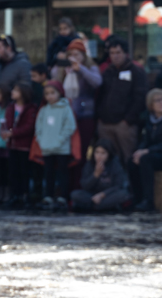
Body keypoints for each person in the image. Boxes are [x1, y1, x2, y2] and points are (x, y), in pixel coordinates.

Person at [128, 89, 162, 212]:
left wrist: (147, 151)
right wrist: (139, 151)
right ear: (150, 105)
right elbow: (145, 140)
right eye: (157, 100)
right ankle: (138, 199)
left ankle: (149, 201)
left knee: (146, 160)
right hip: (154, 152)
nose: (161, 103)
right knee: (132, 161)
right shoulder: (150, 120)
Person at [51, 38, 101, 170]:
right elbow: (54, 84)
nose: (73, 57)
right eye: (70, 54)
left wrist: (81, 69)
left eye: (76, 54)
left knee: (82, 150)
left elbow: (97, 82)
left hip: (85, 115)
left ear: (83, 56)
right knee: (66, 151)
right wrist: (60, 65)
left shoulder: (90, 67)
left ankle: (79, 184)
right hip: (65, 115)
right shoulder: (64, 69)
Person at [97, 38, 146, 164]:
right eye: (112, 53)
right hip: (105, 124)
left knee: (129, 159)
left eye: (118, 52)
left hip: (125, 125)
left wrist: (128, 120)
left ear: (126, 53)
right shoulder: (107, 71)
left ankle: (131, 184)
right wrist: (100, 118)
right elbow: (100, 95)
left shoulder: (136, 72)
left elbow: (140, 98)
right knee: (109, 160)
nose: (115, 56)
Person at [35, 80, 76, 210]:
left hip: (61, 147)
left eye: (53, 93)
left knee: (62, 172)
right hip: (47, 147)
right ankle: (48, 196)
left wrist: (59, 140)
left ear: (59, 93)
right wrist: (42, 140)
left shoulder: (65, 108)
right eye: (47, 93)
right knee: (48, 173)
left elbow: (70, 126)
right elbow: (38, 128)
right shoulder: (43, 110)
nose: (50, 96)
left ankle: (62, 197)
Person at [1, 83, 38, 209]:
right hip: (12, 145)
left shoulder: (31, 109)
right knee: (13, 172)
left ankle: (25, 195)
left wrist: (13, 133)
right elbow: (7, 123)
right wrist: (5, 132)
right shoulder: (11, 108)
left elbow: (29, 127)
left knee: (24, 172)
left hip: (24, 145)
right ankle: (14, 195)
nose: (12, 92)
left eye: (16, 90)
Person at [71, 139, 132, 212]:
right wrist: (95, 174)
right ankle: (102, 207)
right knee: (75, 194)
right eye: (97, 152)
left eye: (103, 153)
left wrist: (102, 194)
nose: (99, 156)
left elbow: (118, 185)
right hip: (92, 195)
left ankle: (93, 207)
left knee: (124, 194)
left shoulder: (115, 164)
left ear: (109, 154)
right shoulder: (90, 164)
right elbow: (84, 186)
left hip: (108, 195)